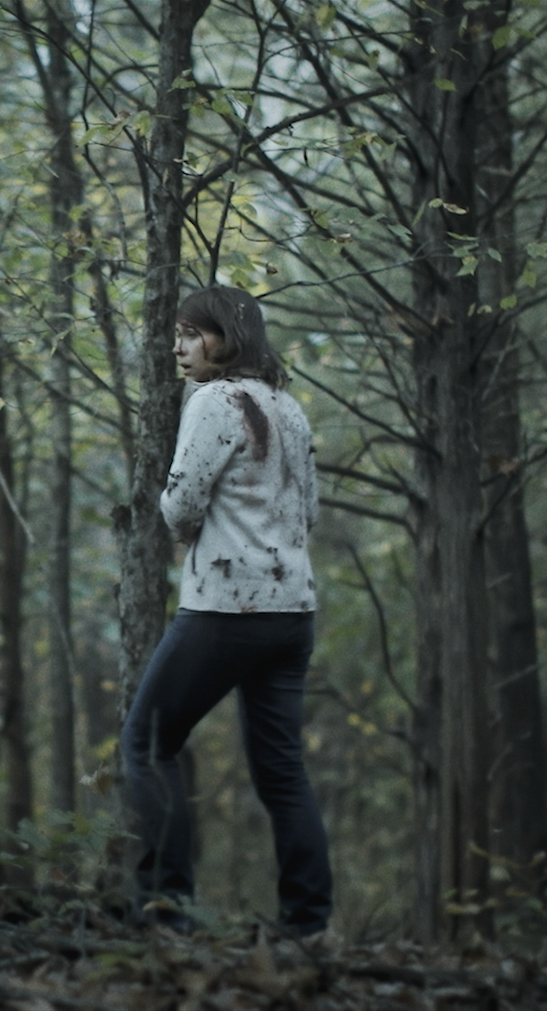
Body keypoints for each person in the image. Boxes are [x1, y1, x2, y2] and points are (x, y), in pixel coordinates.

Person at [121, 285, 332, 938]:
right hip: (292, 612)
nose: (178, 347)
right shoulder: (288, 408)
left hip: (227, 609)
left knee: (147, 743)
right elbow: (312, 511)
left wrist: (191, 525)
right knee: (282, 772)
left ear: (228, 338)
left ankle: (168, 909)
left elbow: (180, 506)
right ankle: (307, 923)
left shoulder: (213, 401)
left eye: (193, 333)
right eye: (178, 333)